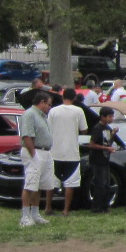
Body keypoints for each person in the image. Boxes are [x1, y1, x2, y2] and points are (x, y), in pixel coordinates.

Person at [18, 88, 55, 227]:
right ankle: (25, 216)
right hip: (34, 151)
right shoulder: (29, 114)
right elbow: (27, 136)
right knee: (30, 183)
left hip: (45, 151)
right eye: (49, 104)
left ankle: (35, 213)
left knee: (39, 185)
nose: (49, 107)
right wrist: (34, 155)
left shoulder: (42, 116)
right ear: (42, 102)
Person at [47, 86, 87, 216]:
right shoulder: (78, 111)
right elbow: (84, 129)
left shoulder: (53, 111)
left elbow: (48, 128)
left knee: (52, 182)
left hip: (55, 151)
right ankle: (66, 209)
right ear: (75, 98)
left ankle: (48, 207)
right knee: (70, 183)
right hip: (72, 152)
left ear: (62, 97)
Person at [86, 105, 121, 213]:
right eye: (109, 117)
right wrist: (106, 148)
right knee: (99, 184)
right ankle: (97, 207)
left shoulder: (107, 128)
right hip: (97, 160)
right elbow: (92, 144)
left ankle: (105, 206)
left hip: (105, 159)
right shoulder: (97, 128)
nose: (111, 119)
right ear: (102, 117)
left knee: (106, 184)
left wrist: (113, 134)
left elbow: (107, 141)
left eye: (112, 117)